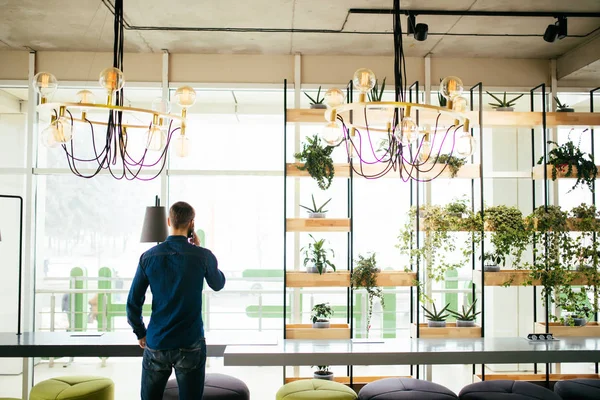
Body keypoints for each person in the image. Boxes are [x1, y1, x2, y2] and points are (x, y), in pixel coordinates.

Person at [127, 201, 225, 400]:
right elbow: (218, 283)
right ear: (191, 224)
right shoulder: (202, 256)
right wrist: (199, 249)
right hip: (190, 342)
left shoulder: (148, 257)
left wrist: (140, 332)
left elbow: (132, 303)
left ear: (169, 221)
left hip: (157, 340)